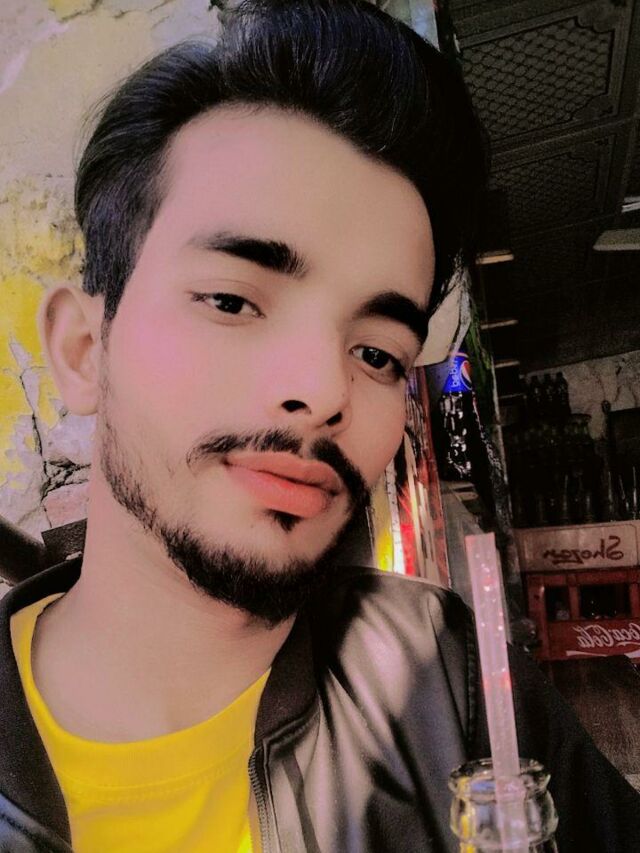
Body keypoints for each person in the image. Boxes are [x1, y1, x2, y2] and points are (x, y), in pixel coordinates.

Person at [0, 1, 638, 851]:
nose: (322, 389)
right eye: (232, 301)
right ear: (84, 350)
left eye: (377, 353)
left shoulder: (445, 683)